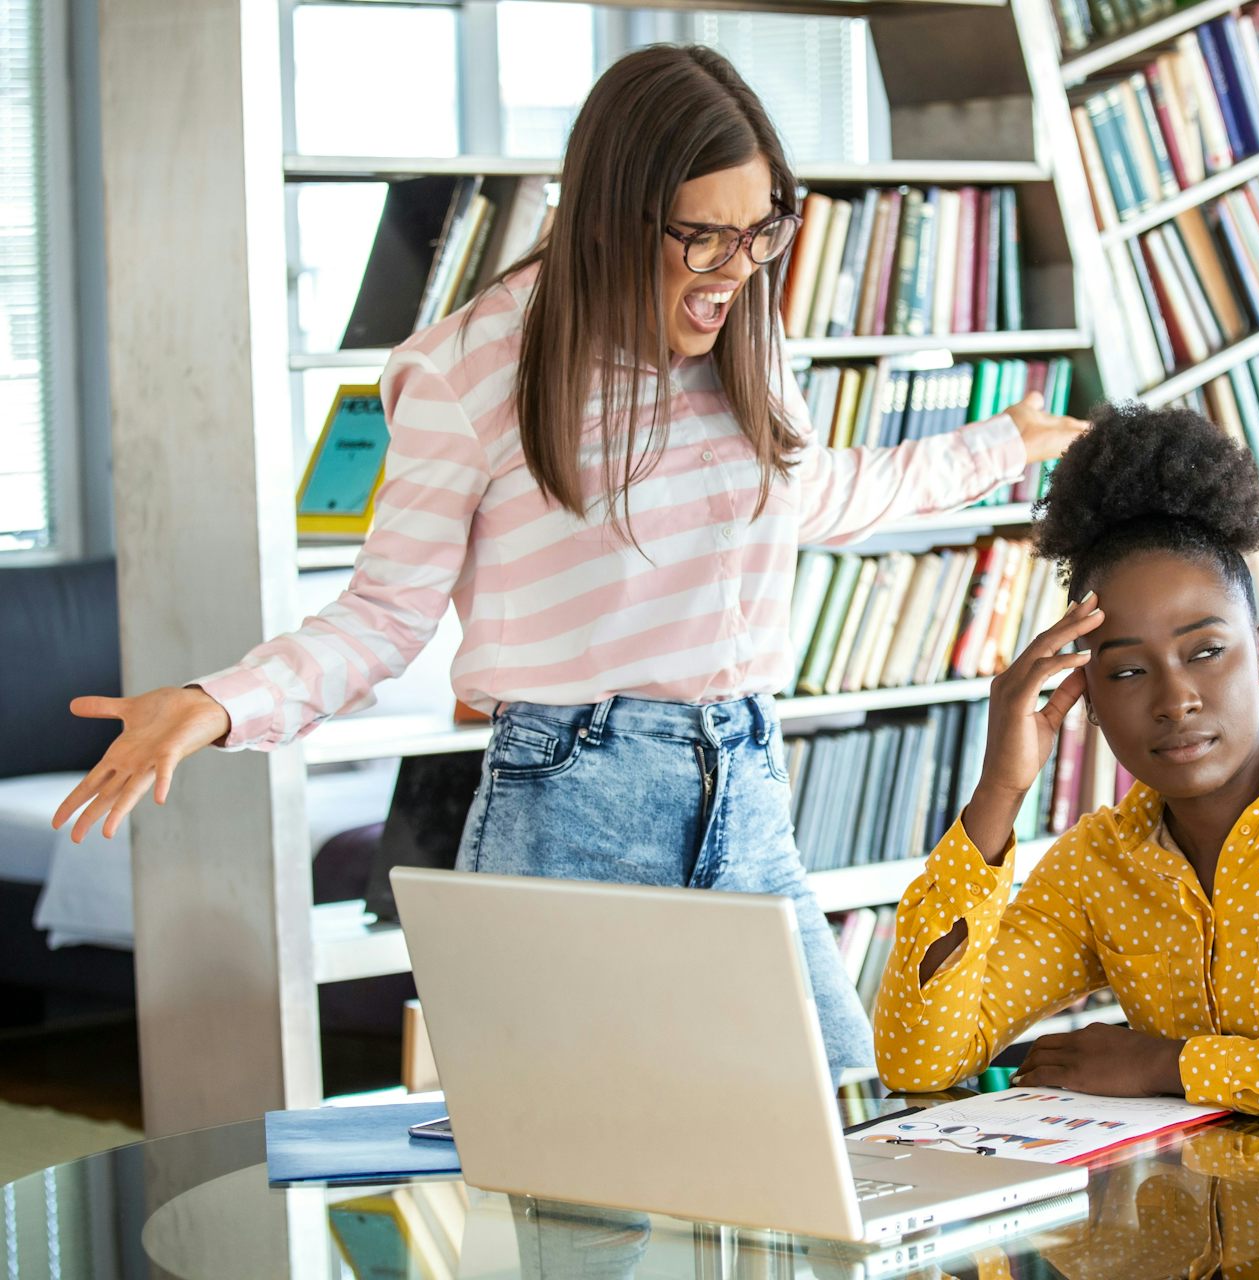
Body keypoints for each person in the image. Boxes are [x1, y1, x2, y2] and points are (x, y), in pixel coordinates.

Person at [50, 44, 1083, 1073]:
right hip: (569, 818)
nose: (737, 270)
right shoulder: (466, 372)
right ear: (614, 214)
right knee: (591, 1212)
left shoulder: (746, 339)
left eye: (761, 231)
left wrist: (999, 446)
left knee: (850, 1133)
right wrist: (219, 701)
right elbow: (382, 615)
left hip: (748, 796)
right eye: (704, 238)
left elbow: (807, 493)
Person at [872, 402, 1259, 1124]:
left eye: (1204, 653)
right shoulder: (1097, 868)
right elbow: (919, 1058)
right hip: (1191, 1226)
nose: (1175, 700)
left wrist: (1169, 1064)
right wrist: (999, 792)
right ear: (1088, 699)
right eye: (1128, 672)